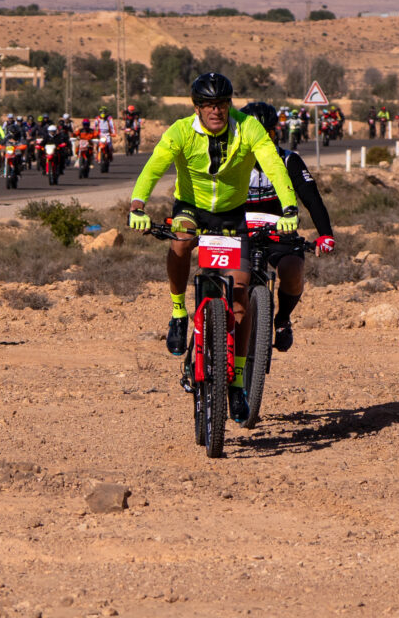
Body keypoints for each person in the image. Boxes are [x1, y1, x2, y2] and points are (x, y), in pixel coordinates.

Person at [126, 72, 298, 426]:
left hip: (233, 214)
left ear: (229, 104)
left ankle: (236, 383)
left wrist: (289, 207)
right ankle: (178, 313)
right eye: (208, 105)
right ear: (197, 108)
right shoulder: (180, 131)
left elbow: (273, 165)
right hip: (192, 207)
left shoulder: (248, 128)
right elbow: (154, 166)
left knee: (240, 295)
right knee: (181, 239)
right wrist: (138, 205)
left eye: (221, 104)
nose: (215, 110)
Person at [239, 102, 336, 352]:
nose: (262, 139)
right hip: (239, 229)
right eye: (255, 134)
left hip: (278, 231)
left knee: (293, 270)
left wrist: (325, 234)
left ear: (276, 133)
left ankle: (282, 319)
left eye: (268, 133)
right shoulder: (232, 161)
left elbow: (311, 197)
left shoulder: (289, 159)